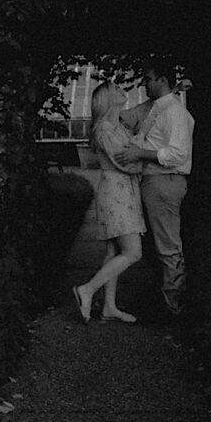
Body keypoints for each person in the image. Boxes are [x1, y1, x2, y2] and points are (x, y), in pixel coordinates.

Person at [116, 62, 194, 316]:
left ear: (161, 80)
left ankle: (174, 308)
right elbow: (132, 118)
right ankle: (166, 302)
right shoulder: (159, 108)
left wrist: (141, 153)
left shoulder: (174, 113)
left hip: (165, 179)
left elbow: (177, 154)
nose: (144, 84)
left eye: (149, 79)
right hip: (156, 181)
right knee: (159, 244)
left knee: (168, 246)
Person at [72, 81, 145, 324]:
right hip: (117, 193)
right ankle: (87, 290)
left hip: (123, 191)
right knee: (133, 251)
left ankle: (109, 307)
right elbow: (126, 162)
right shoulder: (104, 129)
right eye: (115, 90)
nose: (121, 90)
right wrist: (146, 160)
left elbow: (145, 111)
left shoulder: (116, 124)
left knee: (114, 251)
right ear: (106, 99)